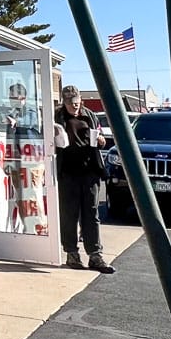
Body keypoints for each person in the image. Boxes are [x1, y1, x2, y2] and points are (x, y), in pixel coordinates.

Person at [54, 85, 115, 273]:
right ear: (64, 102)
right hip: (67, 172)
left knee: (92, 214)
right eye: (71, 104)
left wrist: (101, 140)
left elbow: (100, 134)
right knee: (69, 214)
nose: (75, 107)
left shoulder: (89, 115)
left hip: (90, 170)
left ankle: (95, 255)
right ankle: (72, 253)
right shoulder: (57, 117)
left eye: (77, 103)